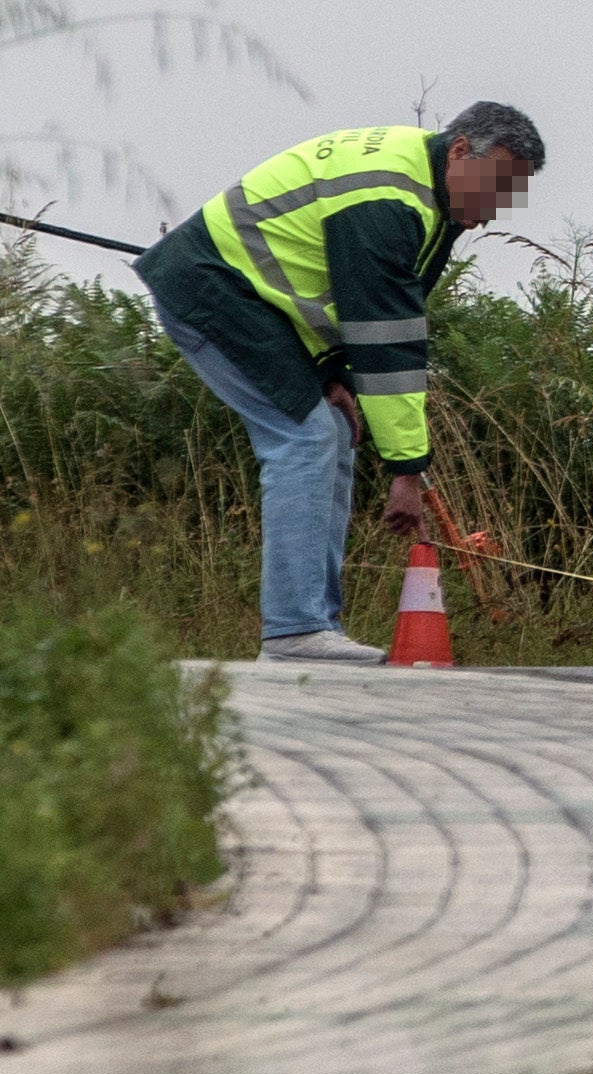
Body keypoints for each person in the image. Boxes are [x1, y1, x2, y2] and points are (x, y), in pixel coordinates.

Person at [133, 106, 547, 663]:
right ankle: (294, 632)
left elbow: (358, 302)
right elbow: (387, 341)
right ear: (458, 151)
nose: (495, 211)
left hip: (256, 305)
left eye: (509, 194)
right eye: (496, 187)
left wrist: (334, 376)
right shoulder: (389, 200)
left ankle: (311, 626)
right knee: (304, 439)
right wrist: (407, 470)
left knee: (332, 429)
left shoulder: (431, 196)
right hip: (214, 290)